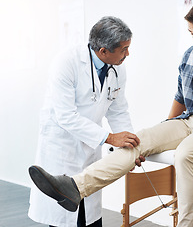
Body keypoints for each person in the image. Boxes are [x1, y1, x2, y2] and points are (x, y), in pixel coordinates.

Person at [29, 2, 193, 227]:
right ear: (103, 51)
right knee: (140, 139)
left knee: (185, 154)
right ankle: (74, 187)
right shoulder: (191, 55)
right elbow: (180, 97)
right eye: (191, 34)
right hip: (187, 121)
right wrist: (160, 134)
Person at [28, 16, 141, 227]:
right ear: (104, 50)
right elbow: (66, 116)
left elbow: (118, 110)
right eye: (124, 49)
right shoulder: (66, 63)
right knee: (64, 216)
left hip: (89, 147)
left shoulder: (117, 68)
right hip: (62, 146)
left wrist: (130, 146)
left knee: (89, 217)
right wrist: (109, 138)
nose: (128, 54)